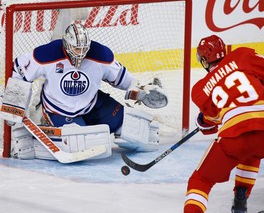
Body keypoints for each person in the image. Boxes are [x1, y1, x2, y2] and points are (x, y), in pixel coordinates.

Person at [0, 23, 167, 161]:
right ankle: (29, 142)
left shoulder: (100, 54)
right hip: (59, 110)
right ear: (66, 43)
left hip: (93, 104)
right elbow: (20, 69)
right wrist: (14, 101)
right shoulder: (47, 54)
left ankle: (84, 129)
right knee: (83, 145)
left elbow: (122, 78)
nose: (80, 53)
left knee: (135, 128)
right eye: (76, 48)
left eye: (83, 48)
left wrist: (139, 90)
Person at [184, 35, 264, 213]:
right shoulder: (242, 55)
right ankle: (240, 200)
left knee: (200, 180)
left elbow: (211, 123)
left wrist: (202, 121)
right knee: (253, 147)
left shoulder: (199, 89)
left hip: (236, 137)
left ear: (205, 60)